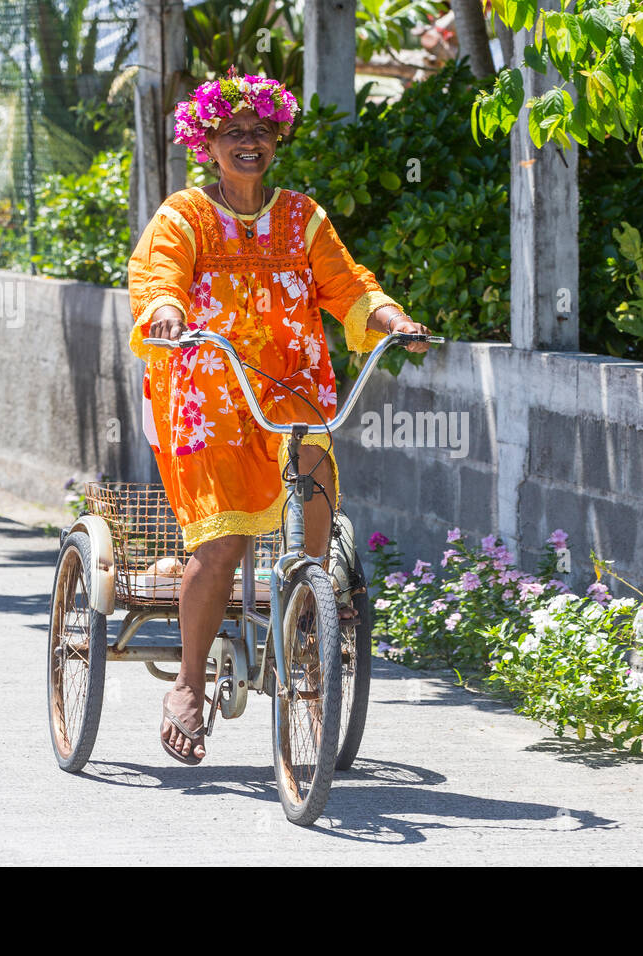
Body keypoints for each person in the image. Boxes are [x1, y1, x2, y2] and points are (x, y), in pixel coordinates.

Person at [127, 69, 431, 765]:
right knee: (222, 544)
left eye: (261, 132)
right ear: (206, 143)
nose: (249, 143)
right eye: (233, 132)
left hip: (290, 388)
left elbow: (346, 282)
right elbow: (159, 279)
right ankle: (188, 683)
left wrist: (392, 318)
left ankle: (309, 629)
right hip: (205, 395)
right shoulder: (184, 216)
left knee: (315, 510)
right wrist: (168, 313)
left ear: (277, 140)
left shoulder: (302, 217)